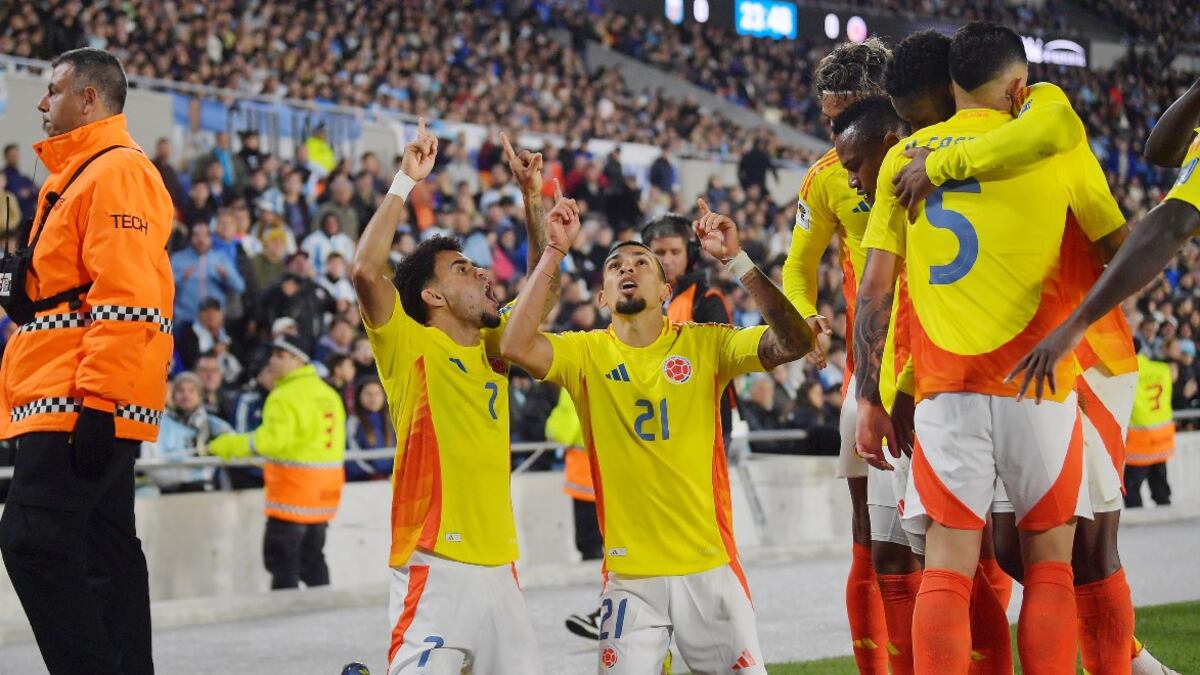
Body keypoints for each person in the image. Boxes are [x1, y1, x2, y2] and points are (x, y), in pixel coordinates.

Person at [889, 28, 1178, 675]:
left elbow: (1118, 242)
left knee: (1086, 547)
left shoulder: (1047, 126)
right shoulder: (957, 148)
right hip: (992, 373)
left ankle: (1126, 663)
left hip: (1086, 355)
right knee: (1010, 548)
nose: (932, 129)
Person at [500, 192, 813, 673]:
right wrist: (554, 251)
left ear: (667, 290)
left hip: (708, 569)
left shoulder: (707, 344)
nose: (628, 268)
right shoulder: (582, 353)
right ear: (602, 296)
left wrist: (739, 261)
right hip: (631, 579)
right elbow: (515, 343)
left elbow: (794, 342)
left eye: (642, 262)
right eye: (615, 265)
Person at [350, 122, 550, 673]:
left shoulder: (497, 347)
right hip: (432, 564)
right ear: (432, 295)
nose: (483, 272)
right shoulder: (406, 343)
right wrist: (404, 182)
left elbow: (540, 285)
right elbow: (366, 270)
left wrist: (533, 198)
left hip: (502, 570)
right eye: (463, 269)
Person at [0, 47, 174, 675]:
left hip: (79, 398)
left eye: (52, 91)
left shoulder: (115, 173)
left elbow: (128, 298)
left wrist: (98, 402)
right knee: (105, 553)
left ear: (89, 98)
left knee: (32, 543)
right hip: (74, 393)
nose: (42, 104)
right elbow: (75, 290)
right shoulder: (81, 174)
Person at [782, 37, 894, 674]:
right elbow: (798, 267)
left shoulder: (941, 155)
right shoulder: (828, 177)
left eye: (845, 115)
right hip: (869, 373)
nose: (836, 132)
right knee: (869, 537)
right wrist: (803, 316)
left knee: (973, 540)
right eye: (827, 120)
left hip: (945, 361)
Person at [209, 333, 346, 589]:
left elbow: (269, 443)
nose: (272, 361)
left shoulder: (284, 396)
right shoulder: (328, 394)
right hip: (324, 496)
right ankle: (326, 616)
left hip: (292, 496)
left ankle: (286, 625)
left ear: (297, 360)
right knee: (313, 560)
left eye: (280, 356)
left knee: (282, 563)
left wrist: (227, 445)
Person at [643, 213, 737, 440]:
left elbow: (722, 358)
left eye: (675, 252)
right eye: (659, 252)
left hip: (705, 424)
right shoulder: (641, 302)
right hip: (661, 422)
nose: (667, 260)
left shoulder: (706, 300)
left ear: (690, 254)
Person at [141, 372, 232, 494]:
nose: (186, 395)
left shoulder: (215, 425)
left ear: (200, 396)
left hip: (207, 492)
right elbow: (149, 461)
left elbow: (235, 447)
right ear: (172, 397)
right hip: (167, 493)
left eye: (191, 390)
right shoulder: (157, 423)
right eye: (180, 390)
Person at [170, 220, 246, 324]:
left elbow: (240, 287)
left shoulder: (221, 258)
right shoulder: (178, 259)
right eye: (196, 235)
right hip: (185, 319)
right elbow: (165, 288)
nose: (201, 239)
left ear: (211, 238)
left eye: (205, 235)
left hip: (214, 321)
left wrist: (226, 276)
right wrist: (180, 278)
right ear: (190, 238)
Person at [1124, 354, 1175, 507]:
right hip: (1161, 437)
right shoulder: (1163, 369)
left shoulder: (1127, 373)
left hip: (1139, 440)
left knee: (1131, 487)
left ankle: (1137, 521)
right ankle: (1166, 513)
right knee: (1160, 484)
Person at [344, 376, 396, 481]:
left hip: (390, 480)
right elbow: (352, 454)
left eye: (377, 394)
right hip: (362, 481)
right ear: (359, 396)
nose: (373, 398)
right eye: (368, 394)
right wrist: (373, 474)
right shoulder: (353, 421)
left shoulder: (392, 419)